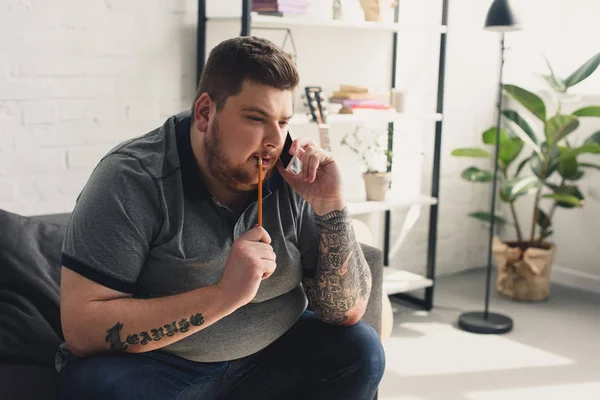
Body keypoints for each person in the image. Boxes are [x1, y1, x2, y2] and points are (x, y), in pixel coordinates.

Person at [57, 36, 385, 400]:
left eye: (283, 121)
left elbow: (347, 313)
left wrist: (331, 205)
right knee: (101, 388)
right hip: (162, 366)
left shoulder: (293, 171)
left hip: (274, 354)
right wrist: (225, 295)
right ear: (204, 113)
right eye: (256, 118)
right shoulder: (131, 179)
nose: (274, 140)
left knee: (361, 350)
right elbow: (81, 329)